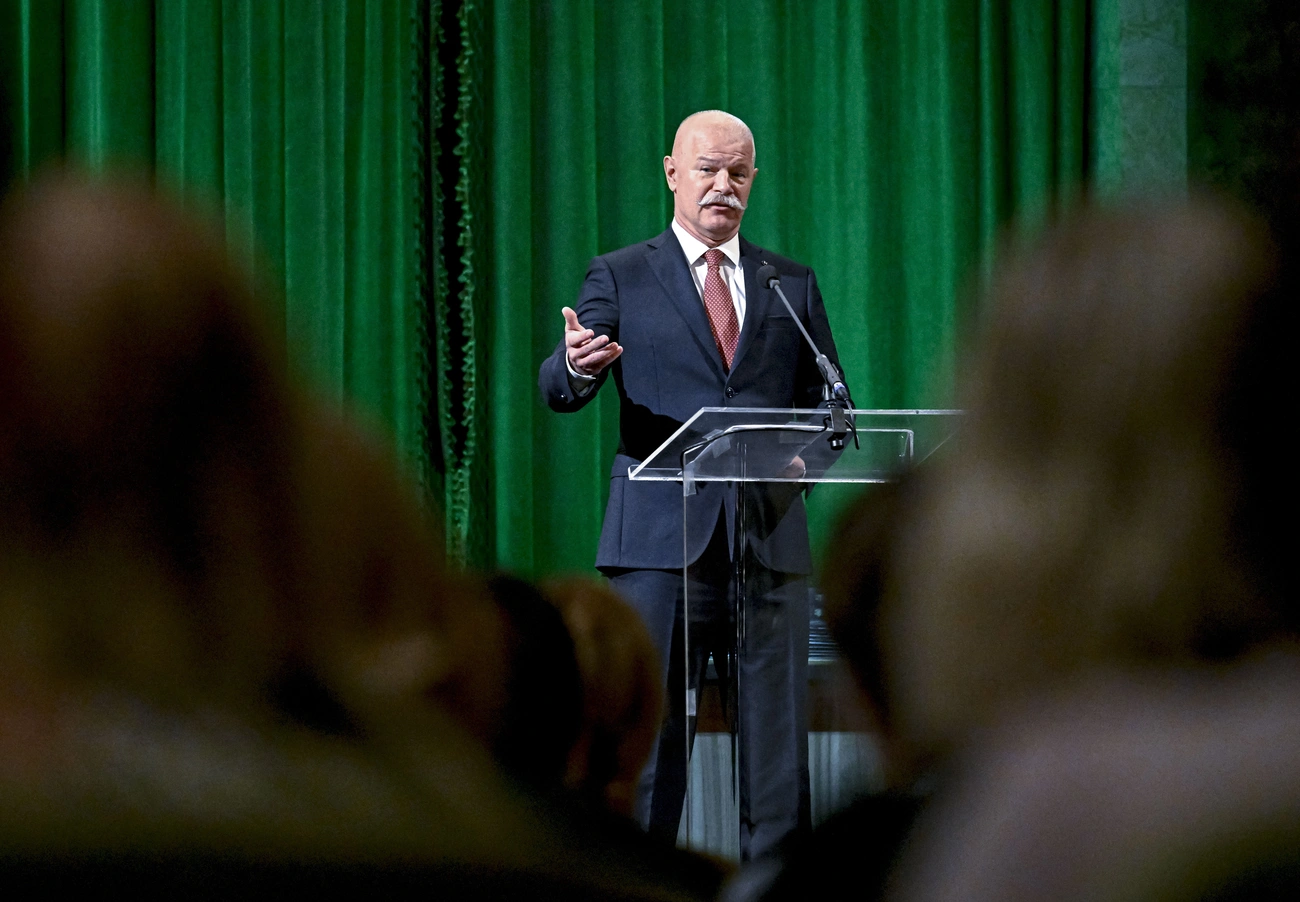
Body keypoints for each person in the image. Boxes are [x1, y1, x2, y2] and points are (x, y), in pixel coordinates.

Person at [538, 110, 844, 860]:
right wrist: (576, 361)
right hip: (658, 549)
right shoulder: (622, 273)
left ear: (754, 180)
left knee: (777, 764)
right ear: (673, 173)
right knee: (648, 754)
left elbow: (833, 410)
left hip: (766, 546)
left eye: (737, 172)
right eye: (707, 169)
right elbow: (562, 382)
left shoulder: (788, 283)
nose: (722, 185)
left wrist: (805, 461)